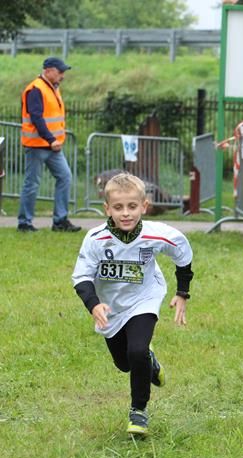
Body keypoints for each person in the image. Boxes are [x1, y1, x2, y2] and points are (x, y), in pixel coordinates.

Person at [71, 173, 194, 436]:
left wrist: (182, 292)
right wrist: (94, 305)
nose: (126, 213)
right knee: (125, 363)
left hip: (144, 298)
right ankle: (150, 362)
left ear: (144, 206)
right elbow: (81, 277)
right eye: (118, 207)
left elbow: (183, 253)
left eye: (132, 206)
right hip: (110, 306)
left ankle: (139, 411)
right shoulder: (95, 238)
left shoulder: (157, 234)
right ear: (107, 209)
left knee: (136, 351)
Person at [18, 56, 80, 233]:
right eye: (60, 72)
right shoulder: (36, 89)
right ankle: (24, 223)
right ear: (48, 71)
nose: (62, 75)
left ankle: (60, 221)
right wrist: (51, 139)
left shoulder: (52, 87)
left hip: (53, 147)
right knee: (32, 184)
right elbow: (36, 118)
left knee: (65, 177)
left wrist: (54, 141)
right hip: (37, 145)